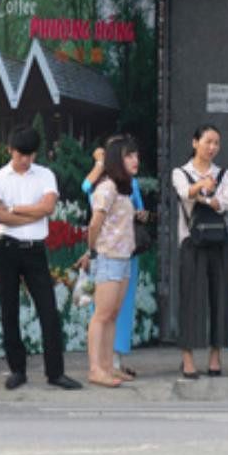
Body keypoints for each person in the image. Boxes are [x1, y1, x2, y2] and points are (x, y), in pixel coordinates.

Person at [0, 126, 81, 391]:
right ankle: (17, 369)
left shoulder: (45, 175)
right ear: (10, 151)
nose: (25, 160)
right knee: (9, 309)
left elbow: (48, 208)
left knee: (48, 311)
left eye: (30, 155)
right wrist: (32, 212)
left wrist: (15, 208)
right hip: (7, 248)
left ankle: (55, 372)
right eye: (20, 155)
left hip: (35, 249)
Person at [77, 136, 142, 388]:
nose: (135, 160)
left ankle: (108, 366)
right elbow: (95, 224)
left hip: (124, 257)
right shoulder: (107, 188)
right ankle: (96, 369)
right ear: (116, 159)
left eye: (136, 155)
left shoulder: (123, 187)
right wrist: (92, 250)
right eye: (129, 155)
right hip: (108, 257)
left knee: (112, 314)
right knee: (101, 315)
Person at [172, 124, 228, 378]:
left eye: (216, 143)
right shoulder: (181, 172)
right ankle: (187, 358)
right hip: (192, 242)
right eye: (208, 141)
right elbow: (184, 192)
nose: (212, 148)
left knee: (220, 298)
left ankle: (215, 356)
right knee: (190, 299)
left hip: (220, 242)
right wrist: (204, 189)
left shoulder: (224, 174)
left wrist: (206, 197)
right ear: (194, 142)